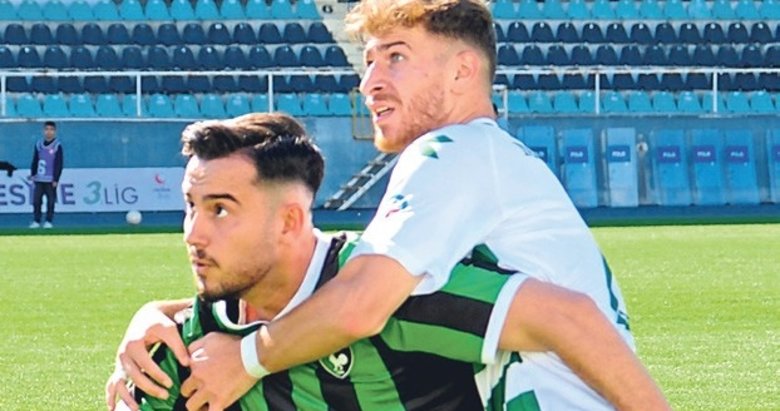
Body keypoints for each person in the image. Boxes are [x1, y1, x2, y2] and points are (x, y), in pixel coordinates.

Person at [109, 2, 672, 409]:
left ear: (462, 71)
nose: (369, 83)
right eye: (369, 61)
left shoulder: (452, 151)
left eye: (395, 58)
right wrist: (162, 312)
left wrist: (247, 359)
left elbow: (358, 301)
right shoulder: (488, 160)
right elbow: (320, 279)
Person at [28, 121, 63, 229]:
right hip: (39, 178)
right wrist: (33, 174)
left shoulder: (57, 145)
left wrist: (56, 179)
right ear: (43, 131)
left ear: (55, 131)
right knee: (36, 201)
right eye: (47, 129)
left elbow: (59, 163)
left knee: (51, 201)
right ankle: (36, 220)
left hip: (50, 179)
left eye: (51, 130)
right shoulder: (39, 144)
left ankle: (48, 221)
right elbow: (35, 160)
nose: (49, 132)